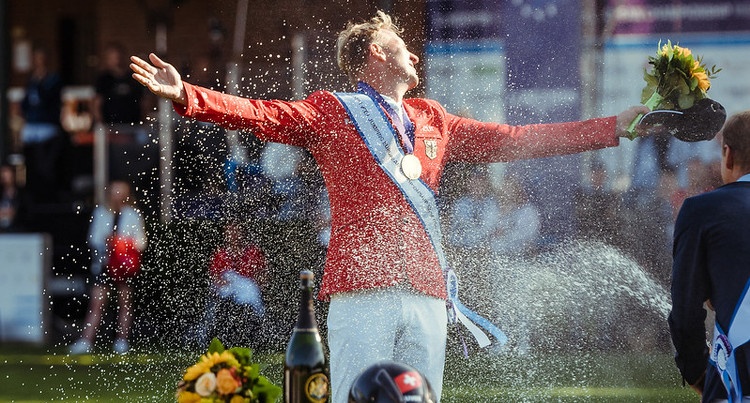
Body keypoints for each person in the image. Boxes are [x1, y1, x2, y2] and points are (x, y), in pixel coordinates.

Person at [130, 11, 648, 402]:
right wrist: (189, 96)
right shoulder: (333, 111)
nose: (415, 56)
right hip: (362, 288)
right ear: (376, 53)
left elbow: (516, 137)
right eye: (403, 47)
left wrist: (611, 128)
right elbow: (264, 115)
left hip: (426, 289)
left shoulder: (435, 118)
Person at [669, 110, 750, 403]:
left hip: (736, 380)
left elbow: (685, 310)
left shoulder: (702, 210)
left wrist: (696, 371)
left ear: (727, 155)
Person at [69, 180, 147, 354]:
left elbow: (141, 242)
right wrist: (107, 242)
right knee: (97, 303)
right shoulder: (101, 213)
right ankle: (86, 340)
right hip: (105, 264)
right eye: (115, 192)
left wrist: (123, 244)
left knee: (125, 302)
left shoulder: (133, 215)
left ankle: (122, 340)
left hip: (124, 266)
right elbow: (93, 238)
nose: (118, 196)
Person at [203, 219, 267, 347]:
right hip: (226, 299)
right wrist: (231, 285)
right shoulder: (220, 255)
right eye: (230, 232)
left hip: (248, 300)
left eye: (236, 231)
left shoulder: (253, 252)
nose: (233, 235)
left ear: (242, 233)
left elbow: (263, 278)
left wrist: (248, 286)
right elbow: (215, 280)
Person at [20, 46, 64, 203]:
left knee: (45, 165)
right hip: (32, 126)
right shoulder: (30, 80)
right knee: (30, 163)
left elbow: (49, 101)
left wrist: (39, 83)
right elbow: (25, 104)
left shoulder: (53, 79)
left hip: (47, 126)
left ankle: (48, 196)